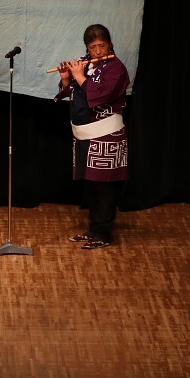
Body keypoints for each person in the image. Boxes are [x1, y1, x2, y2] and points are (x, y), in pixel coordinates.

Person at [55, 24, 130, 250]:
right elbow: (75, 94)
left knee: (104, 185)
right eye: (93, 46)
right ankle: (93, 228)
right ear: (87, 47)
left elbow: (103, 94)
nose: (97, 51)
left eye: (102, 45)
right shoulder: (83, 64)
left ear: (110, 44)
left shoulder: (116, 68)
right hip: (85, 134)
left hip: (107, 134)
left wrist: (80, 77)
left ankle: (104, 233)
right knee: (90, 184)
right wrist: (67, 79)